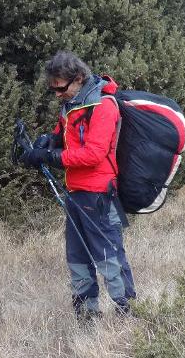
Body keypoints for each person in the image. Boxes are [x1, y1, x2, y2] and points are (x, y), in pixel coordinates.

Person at [19, 50, 136, 321]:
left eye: (60, 88)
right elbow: (64, 136)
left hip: (99, 195)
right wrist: (48, 141)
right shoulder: (71, 106)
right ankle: (86, 316)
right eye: (53, 89)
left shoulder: (103, 106)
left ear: (79, 78)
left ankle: (127, 315)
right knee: (77, 258)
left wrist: (49, 156)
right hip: (75, 193)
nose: (57, 94)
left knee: (109, 258)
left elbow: (93, 155)